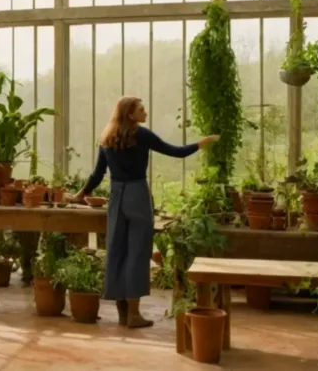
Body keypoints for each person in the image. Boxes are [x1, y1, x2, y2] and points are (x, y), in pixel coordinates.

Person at [70, 96, 219, 328]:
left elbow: (98, 174)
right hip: (137, 196)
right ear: (131, 114)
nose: (145, 112)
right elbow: (176, 152)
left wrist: (80, 195)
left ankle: (122, 314)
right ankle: (134, 315)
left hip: (116, 197)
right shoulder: (142, 134)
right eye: (141, 109)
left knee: (116, 252)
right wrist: (203, 143)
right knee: (137, 255)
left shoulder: (107, 137)